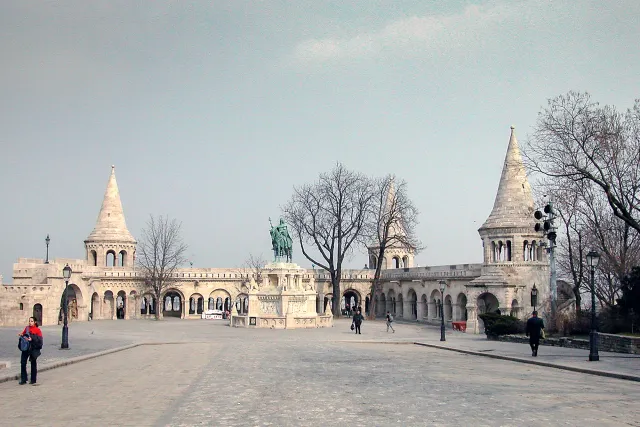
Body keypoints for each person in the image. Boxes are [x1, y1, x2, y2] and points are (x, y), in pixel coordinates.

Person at [17, 317, 43, 385]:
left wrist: (32, 338)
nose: (30, 322)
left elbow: (40, 340)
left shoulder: (37, 330)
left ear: (34, 322)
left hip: (33, 348)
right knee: (23, 363)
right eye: (29, 321)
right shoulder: (27, 328)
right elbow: (24, 334)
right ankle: (23, 379)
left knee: (33, 364)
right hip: (26, 348)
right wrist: (22, 335)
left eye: (31, 321)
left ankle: (33, 380)